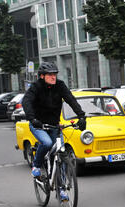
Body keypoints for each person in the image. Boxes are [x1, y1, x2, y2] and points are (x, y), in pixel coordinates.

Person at [23, 62, 86, 199]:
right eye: (50, 75)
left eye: (55, 74)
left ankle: (61, 189)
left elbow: (71, 99)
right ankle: (37, 166)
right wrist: (32, 118)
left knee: (60, 153)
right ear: (42, 76)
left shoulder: (60, 85)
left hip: (55, 126)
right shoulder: (36, 87)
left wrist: (81, 116)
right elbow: (26, 102)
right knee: (46, 143)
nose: (53, 77)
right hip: (38, 124)